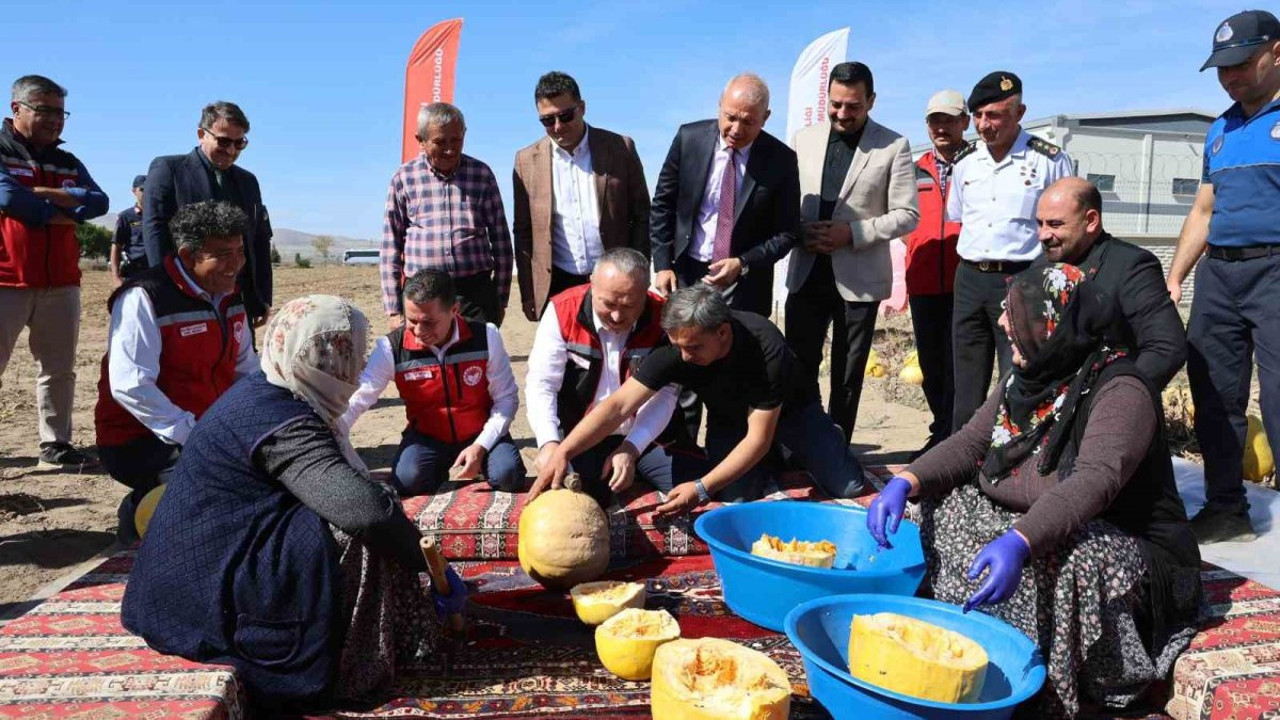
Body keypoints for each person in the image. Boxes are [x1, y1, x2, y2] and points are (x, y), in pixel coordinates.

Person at [868, 264, 1201, 718]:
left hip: (1125, 540)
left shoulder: (1121, 389)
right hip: (1040, 512)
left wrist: (1021, 540)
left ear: (1053, 324)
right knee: (934, 506)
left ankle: (1050, 677)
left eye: (1015, 314)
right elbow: (971, 444)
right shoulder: (1027, 375)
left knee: (1064, 560)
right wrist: (906, 482)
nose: (1004, 323)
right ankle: (963, 635)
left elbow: (1094, 481)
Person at [122, 295, 466, 711]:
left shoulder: (273, 388)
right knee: (358, 529)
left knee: (370, 508)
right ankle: (353, 668)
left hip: (194, 570)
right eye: (349, 357)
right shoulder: (281, 421)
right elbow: (363, 511)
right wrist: (426, 562)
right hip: (203, 590)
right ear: (322, 359)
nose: (356, 371)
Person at [530, 283, 868, 513]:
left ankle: (819, 440)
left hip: (792, 413)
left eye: (693, 347)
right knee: (737, 494)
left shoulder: (766, 347)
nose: (684, 356)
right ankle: (780, 461)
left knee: (849, 486)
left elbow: (758, 438)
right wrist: (563, 450)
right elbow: (619, 405)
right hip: (731, 418)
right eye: (677, 346)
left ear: (722, 333)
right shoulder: (679, 348)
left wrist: (700, 489)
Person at [1165, 9, 1280, 544]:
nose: (1230, 77)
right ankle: (1226, 507)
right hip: (1221, 276)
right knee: (1213, 391)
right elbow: (1203, 212)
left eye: (1242, 63)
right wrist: (1176, 275)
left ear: (1276, 53)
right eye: (1221, 68)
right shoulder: (1220, 130)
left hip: (1276, 270)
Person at [94, 201, 258, 543]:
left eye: (240, 251)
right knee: (212, 501)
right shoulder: (145, 297)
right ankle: (140, 510)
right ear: (187, 255)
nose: (236, 264)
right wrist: (193, 435)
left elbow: (246, 371)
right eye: (223, 254)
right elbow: (130, 385)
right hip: (143, 439)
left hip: (206, 431)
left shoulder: (229, 295)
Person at [784, 61, 919, 442]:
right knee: (799, 364)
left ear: (871, 101)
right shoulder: (803, 138)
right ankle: (799, 444)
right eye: (836, 104)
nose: (842, 114)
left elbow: (907, 215)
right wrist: (798, 230)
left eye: (853, 106)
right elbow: (785, 201)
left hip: (858, 279)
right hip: (807, 270)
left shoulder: (894, 145)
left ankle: (836, 445)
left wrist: (853, 233)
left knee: (848, 371)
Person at [947, 71, 1074, 431]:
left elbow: (1064, 225)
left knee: (1018, 375)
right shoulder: (965, 160)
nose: (985, 125)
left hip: (1021, 278)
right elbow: (958, 215)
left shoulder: (1048, 160)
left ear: (1019, 113)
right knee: (966, 381)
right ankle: (960, 461)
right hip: (970, 278)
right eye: (978, 116)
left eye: (995, 115)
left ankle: (1010, 459)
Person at [0, 74, 108, 468]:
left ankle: (55, 444)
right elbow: (10, 199)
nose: (56, 120)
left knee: (58, 369)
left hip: (61, 281)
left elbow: (98, 201)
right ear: (17, 109)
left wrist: (44, 197)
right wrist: (64, 211)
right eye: (45, 110)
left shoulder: (66, 160)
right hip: (6, 278)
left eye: (61, 113)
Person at [343, 269, 524, 496]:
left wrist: (481, 445)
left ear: (454, 310)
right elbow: (359, 398)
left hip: (480, 432)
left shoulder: (486, 337)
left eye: (429, 322)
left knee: (509, 475)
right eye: (412, 321)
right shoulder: (390, 348)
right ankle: (439, 467)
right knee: (409, 482)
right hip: (427, 437)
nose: (419, 331)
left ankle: (477, 461)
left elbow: (506, 399)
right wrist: (334, 435)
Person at [525, 248, 679, 507]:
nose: (617, 316)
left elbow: (666, 394)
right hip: (581, 435)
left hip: (648, 435)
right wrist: (549, 443)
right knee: (575, 501)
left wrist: (632, 447)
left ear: (646, 294)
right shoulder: (562, 310)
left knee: (692, 483)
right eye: (609, 304)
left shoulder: (664, 317)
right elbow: (542, 384)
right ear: (591, 286)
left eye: (630, 305)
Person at [650, 72, 800, 317]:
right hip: (686, 273)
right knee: (687, 348)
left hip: (744, 284)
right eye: (730, 117)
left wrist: (742, 263)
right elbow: (663, 205)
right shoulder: (689, 139)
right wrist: (663, 264)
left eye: (748, 122)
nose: (736, 129)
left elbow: (787, 232)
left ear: (766, 118)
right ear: (720, 105)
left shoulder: (780, 160)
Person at [513, 71, 651, 320]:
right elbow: (523, 233)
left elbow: (642, 215)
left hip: (615, 279)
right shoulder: (525, 161)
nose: (557, 126)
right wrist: (527, 293)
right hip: (558, 282)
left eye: (565, 116)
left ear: (582, 107)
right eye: (547, 120)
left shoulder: (620, 148)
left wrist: (640, 273)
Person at [1034, 177, 1186, 389]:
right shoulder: (1040, 266)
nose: (1043, 234)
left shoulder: (1131, 266)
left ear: (1092, 220)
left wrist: (1117, 397)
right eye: (1039, 223)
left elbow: (1167, 347)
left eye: (1055, 224)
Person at [381, 102, 512, 328]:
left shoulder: (481, 174)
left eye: (456, 140)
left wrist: (500, 298)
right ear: (420, 140)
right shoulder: (404, 178)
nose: (450, 149)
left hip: (475, 295)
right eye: (440, 142)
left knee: (475, 360)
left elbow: (501, 241)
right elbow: (390, 247)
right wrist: (394, 309)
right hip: (422, 296)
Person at [143, 101, 274, 328]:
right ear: (202, 134)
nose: (231, 150)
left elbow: (259, 240)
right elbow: (155, 233)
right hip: (187, 295)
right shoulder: (169, 170)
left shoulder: (248, 182)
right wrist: (166, 291)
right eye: (223, 141)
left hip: (237, 299)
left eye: (239, 143)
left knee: (239, 361)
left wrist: (261, 296)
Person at [903, 90, 969, 457]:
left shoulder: (980, 164)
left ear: (965, 123)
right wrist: (913, 243)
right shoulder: (913, 168)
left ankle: (957, 436)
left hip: (968, 281)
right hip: (924, 280)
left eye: (949, 119)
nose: (941, 127)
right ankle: (941, 430)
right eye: (934, 120)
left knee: (962, 363)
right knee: (931, 361)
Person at [110, 175, 149, 285]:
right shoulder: (126, 217)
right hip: (134, 273)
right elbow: (116, 246)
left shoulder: (158, 215)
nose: (146, 193)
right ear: (134, 191)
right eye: (142, 189)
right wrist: (116, 277)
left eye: (149, 189)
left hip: (156, 272)